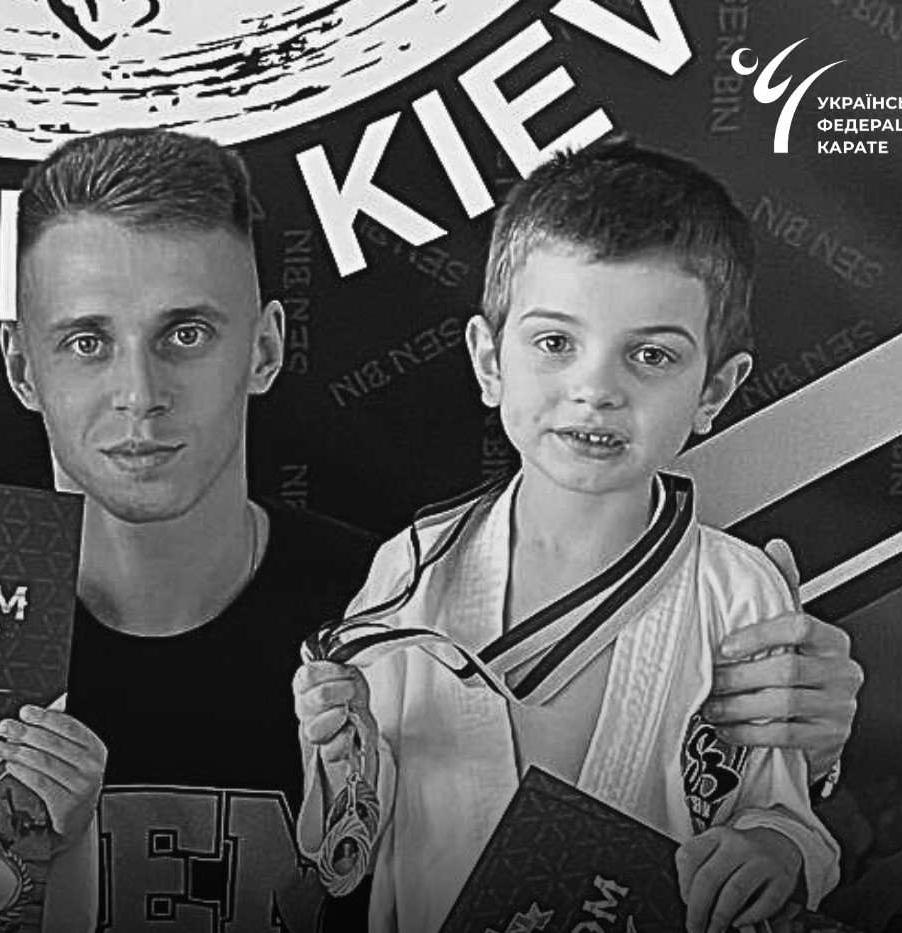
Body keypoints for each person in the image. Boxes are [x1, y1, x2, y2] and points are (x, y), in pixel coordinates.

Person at [294, 139, 843, 933]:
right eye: (555, 343)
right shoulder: (411, 571)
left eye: (650, 355)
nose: (596, 389)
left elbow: (784, 813)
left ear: (714, 390)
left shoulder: (740, 593)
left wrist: (772, 850)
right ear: (489, 360)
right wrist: (340, 750)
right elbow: (348, 849)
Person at [0, 127, 378, 932]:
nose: (140, 393)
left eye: (186, 334)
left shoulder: (389, 611)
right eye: (88, 342)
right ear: (23, 366)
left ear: (265, 348)